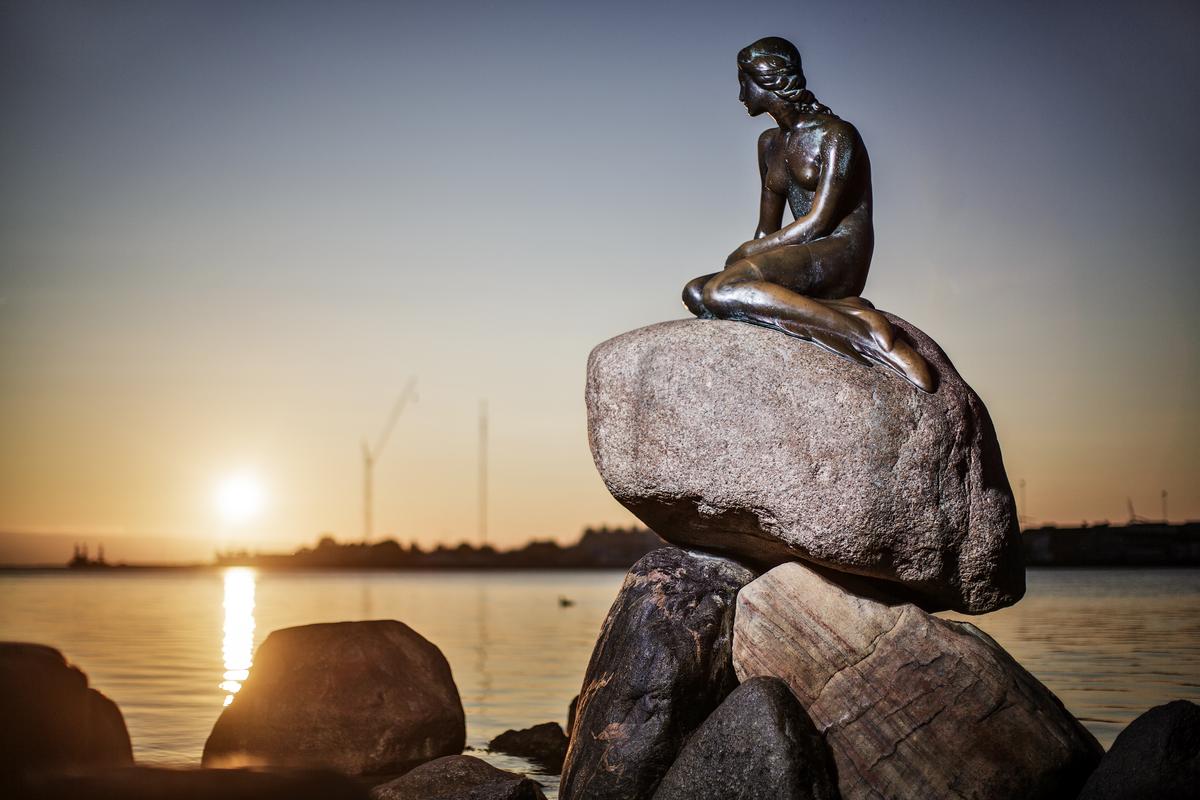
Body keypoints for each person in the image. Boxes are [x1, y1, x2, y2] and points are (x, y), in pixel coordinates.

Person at [682, 36, 934, 392]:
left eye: (744, 82)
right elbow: (765, 230)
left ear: (767, 80)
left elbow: (819, 222)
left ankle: (868, 335)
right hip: (800, 251)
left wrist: (747, 255)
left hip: (839, 252)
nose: (741, 95)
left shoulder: (837, 135)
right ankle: (839, 312)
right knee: (697, 292)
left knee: (721, 291)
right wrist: (747, 258)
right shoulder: (768, 144)